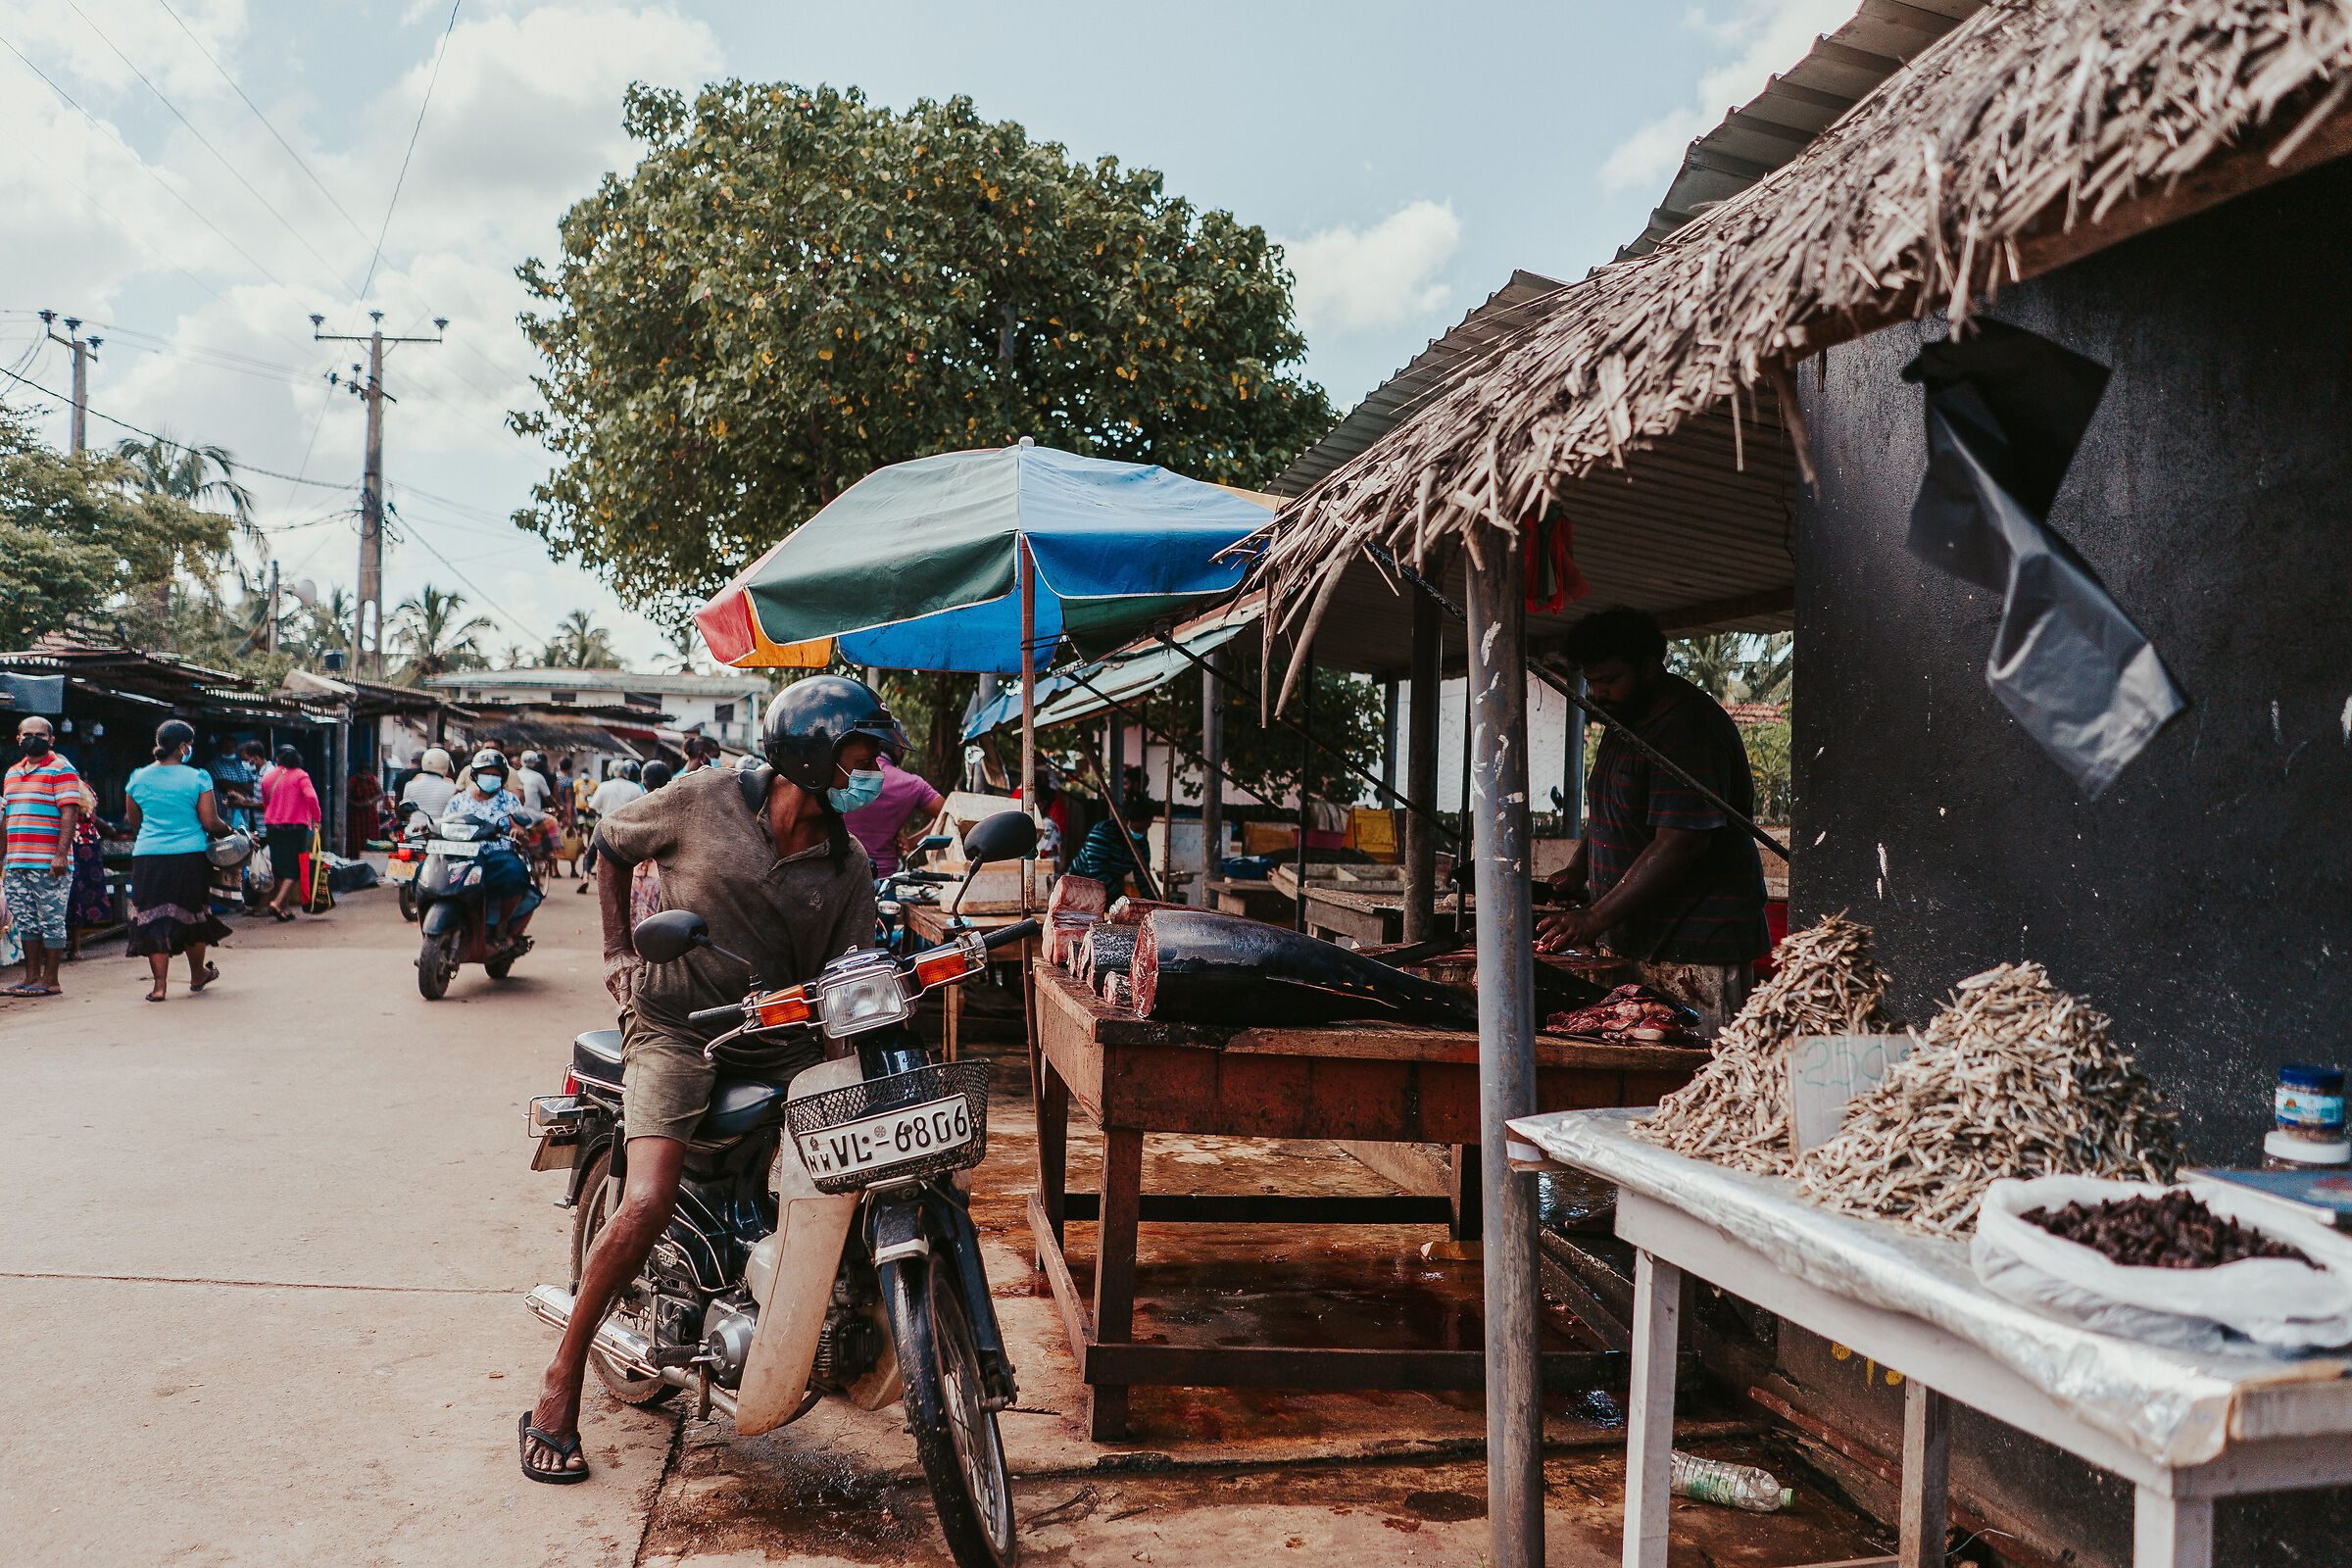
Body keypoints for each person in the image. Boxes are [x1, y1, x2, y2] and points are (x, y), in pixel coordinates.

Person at [522, 675, 894, 1484]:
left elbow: (848, 973)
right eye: (864, 756)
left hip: (779, 1041)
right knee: (648, 1200)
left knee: (860, 1162)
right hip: (675, 1029)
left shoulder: (849, 864)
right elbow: (610, 845)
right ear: (815, 754)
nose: (875, 773)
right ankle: (561, 1377)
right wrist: (617, 951)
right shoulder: (701, 799)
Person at [1536, 607, 1769, 1031]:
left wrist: (1595, 918)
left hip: (1695, 953)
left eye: (1610, 680)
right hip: (1639, 943)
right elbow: (1608, 805)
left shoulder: (1688, 729)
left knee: (1697, 1063)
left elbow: (1681, 843)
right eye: (1592, 681)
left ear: (1648, 667)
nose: (1599, 693)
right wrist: (1580, 868)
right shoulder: (1626, 719)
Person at [122, 719, 233, 1002]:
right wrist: (231, 832)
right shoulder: (198, 777)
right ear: (184, 746)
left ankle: (159, 986)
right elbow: (210, 821)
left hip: (148, 856)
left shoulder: (138, 777)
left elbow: (134, 822)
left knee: (152, 916)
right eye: (190, 744)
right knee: (193, 915)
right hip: (189, 856)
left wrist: (154, 836)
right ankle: (197, 975)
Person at [4, 715, 84, 998]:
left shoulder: (62, 770)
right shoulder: (12, 773)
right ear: (18, 739)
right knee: (26, 921)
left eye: (40, 735)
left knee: (52, 920)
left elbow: (69, 812)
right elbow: (8, 817)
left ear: (51, 740)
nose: (33, 739)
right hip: (16, 860)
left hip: (49, 862)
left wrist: (60, 854)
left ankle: (51, 980)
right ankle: (31, 977)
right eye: (27, 735)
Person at [446, 748, 539, 955]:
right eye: (485, 774)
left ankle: (502, 924)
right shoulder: (458, 801)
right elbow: (444, 824)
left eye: (494, 775)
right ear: (475, 775)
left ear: (502, 778)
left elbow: (520, 827)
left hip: (496, 856)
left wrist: (518, 831)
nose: (489, 778)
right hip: (461, 855)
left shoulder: (509, 800)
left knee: (516, 873)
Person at [843, 753, 945, 878]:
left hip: (841, 874)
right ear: (897, 748)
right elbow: (947, 812)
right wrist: (911, 843)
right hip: (885, 878)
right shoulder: (912, 783)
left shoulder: (842, 775)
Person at [260, 746, 323, 922]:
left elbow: (265, 802)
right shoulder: (301, 775)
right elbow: (311, 798)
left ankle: (285, 908)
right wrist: (317, 818)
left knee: (280, 866)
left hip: (273, 825)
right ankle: (277, 902)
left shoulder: (268, 777)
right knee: (295, 867)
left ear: (278, 759)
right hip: (295, 826)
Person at [66, 777, 118, 957]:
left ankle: (58, 947)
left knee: (69, 895)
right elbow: (94, 818)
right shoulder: (86, 790)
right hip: (89, 847)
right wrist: (110, 830)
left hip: (70, 846)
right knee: (80, 896)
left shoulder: (60, 788)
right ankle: (76, 947)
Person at [576, 761, 645, 896]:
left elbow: (591, 808)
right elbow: (642, 810)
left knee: (589, 856)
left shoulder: (604, 786)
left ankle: (585, 877)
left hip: (605, 830)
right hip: (628, 831)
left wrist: (599, 812)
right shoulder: (636, 788)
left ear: (610, 773)